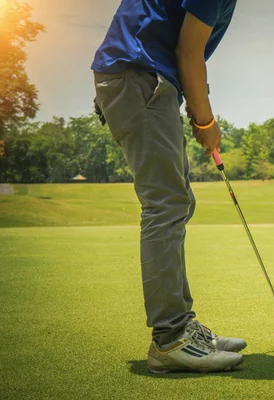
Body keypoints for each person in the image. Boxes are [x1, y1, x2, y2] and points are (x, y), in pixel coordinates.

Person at [91, 0, 245, 374]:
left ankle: (182, 327)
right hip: (139, 76)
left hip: (141, 76)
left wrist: (197, 107)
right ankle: (171, 339)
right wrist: (206, 123)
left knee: (177, 202)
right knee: (166, 205)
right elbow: (189, 52)